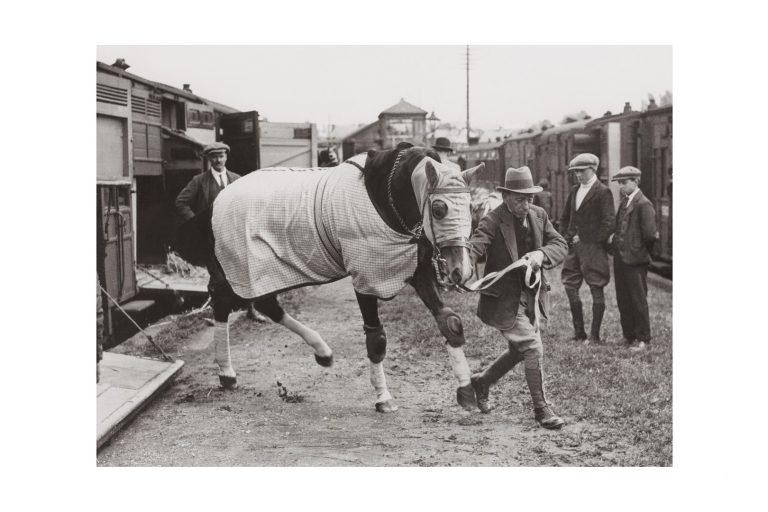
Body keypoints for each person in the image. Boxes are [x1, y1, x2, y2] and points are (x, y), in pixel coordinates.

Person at [469, 167, 568, 429]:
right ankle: (541, 409)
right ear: (506, 197)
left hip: (532, 296)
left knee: (519, 350)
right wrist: (463, 266)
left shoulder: (539, 215)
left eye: (530, 198)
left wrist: (541, 255)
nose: (526, 205)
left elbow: (560, 245)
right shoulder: (492, 220)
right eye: (519, 199)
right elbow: (475, 245)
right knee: (532, 347)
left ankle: (482, 382)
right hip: (503, 299)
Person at [559, 153, 615, 345]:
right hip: (574, 251)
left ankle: (594, 336)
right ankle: (579, 332)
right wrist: (567, 239)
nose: (578, 175)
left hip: (593, 251)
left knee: (596, 287)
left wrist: (586, 238)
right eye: (575, 172)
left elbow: (609, 223)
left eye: (581, 171)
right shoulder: (575, 191)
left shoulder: (603, 192)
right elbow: (565, 218)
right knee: (570, 286)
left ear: (593, 169)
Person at [610, 166, 658, 351]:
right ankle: (628, 336)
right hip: (622, 259)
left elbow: (650, 236)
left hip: (635, 260)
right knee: (624, 298)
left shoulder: (643, 204)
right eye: (619, 183)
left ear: (636, 181)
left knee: (638, 299)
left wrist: (640, 252)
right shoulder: (625, 202)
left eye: (625, 182)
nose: (621, 186)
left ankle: (643, 338)